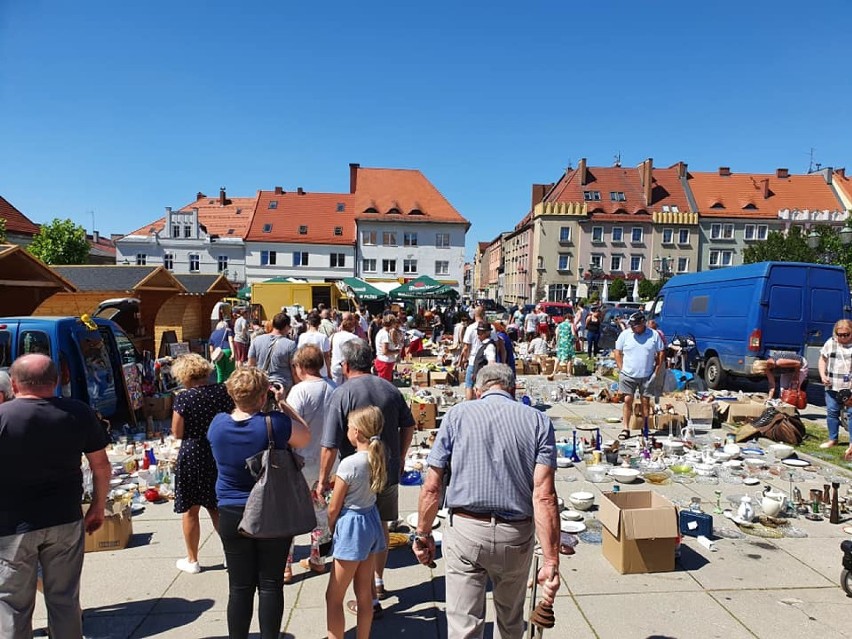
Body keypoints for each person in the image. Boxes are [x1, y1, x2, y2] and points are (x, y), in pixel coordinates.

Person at [413, 364, 560, 639]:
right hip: (515, 534)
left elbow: (432, 486)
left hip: (467, 530)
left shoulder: (457, 415)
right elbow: (544, 495)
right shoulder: (538, 421)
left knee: (464, 626)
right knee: (511, 621)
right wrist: (551, 560)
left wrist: (422, 534)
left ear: (479, 391)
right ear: (514, 389)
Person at [0, 353, 111, 638]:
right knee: (64, 599)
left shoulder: (3, 417)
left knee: (12, 604)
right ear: (56, 381)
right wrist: (98, 507)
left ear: (13, 383)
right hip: (64, 518)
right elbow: (100, 465)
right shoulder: (78, 412)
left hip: (12, 524)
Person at [207, 367, 310, 639]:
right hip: (270, 510)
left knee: (239, 586)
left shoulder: (217, 424)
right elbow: (305, 435)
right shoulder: (274, 422)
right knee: (271, 584)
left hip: (230, 509)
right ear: (264, 395)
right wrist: (284, 402)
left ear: (232, 394)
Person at [318, 339, 415, 618]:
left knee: (358, 528)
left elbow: (329, 445)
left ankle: (365, 592)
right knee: (381, 525)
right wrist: (401, 454)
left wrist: (323, 479)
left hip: (356, 475)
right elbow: (408, 425)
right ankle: (378, 582)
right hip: (387, 469)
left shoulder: (342, 393)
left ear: (346, 365)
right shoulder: (389, 387)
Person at [325, 406, 388, 639]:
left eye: (350, 427)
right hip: (370, 519)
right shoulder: (377, 455)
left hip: (352, 527)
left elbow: (334, 506)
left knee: (334, 596)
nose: (348, 431)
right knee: (364, 593)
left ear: (358, 432)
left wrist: (328, 527)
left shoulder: (349, 464)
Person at [171, 353, 234, 574]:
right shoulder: (221, 391)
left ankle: (192, 559)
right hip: (217, 450)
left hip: (193, 451)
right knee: (216, 507)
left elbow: (177, 432)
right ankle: (230, 554)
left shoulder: (184, 398)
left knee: (190, 509)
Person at [284, 344, 337, 580]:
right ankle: (318, 558)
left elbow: (290, 428)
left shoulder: (299, 391)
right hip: (328, 461)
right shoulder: (335, 388)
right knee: (322, 513)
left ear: (299, 366)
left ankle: (285, 564)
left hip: (301, 460)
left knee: (291, 513)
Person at [613, 312, 665, 441]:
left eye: (635, 326)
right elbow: (617, 352)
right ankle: (625, 428)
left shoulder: (653, 335)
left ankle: (645, 427)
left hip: (646, 374)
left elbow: (661, 352)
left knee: (645, 402)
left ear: (642, 324)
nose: (632, 328)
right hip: (628, 374)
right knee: (627, 400)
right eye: (631, 325)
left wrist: (656, 371)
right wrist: (621, 369)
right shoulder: (625, 334)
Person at [818, 319, 852, 449]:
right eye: (840, 334)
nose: (843, 337)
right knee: (832, 412)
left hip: (849, 386)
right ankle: (833, 439)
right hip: (832, 384)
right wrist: (822, 375)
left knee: (851, 413)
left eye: (846, 335)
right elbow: (822, 359)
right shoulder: (831, 343)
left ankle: (851, 443)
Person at [248, 312, 298, 395]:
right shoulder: (291, 345)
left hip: (263, 385)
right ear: (286, 326)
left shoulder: (257, 340)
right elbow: (294, 371)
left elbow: (251, 365)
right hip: (283, 387)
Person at [460, 306, 486, 400]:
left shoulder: (470, 328)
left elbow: (466, 347)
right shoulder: (490, 328)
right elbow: (498, 345)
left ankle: (469, 406)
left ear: (474, 315)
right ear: (484, 314)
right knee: (484, 385)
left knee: (469, 385)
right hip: (486, 361)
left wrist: (464, 359)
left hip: (473, 361)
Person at [329, 312, 362, 385]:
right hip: (348, 368)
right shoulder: (354, 338)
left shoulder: (334, 336)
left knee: (335, 389)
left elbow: (329, 350)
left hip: (335, 366)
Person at [298, 312, 332, 379]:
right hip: (322, 371)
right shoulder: (323, 337)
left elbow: (299, 355)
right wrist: (329, 371)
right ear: (319, 323)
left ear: (308, 322)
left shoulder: (302, 336)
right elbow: (326, 356)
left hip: (306, 370)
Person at [373, 314, 403, 381]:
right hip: (385, 362)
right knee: (384, 383)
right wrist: (396, 351)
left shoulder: (381, 332)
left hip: (383, 361)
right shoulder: (385, 335)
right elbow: (385, 351)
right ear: (391, 323)